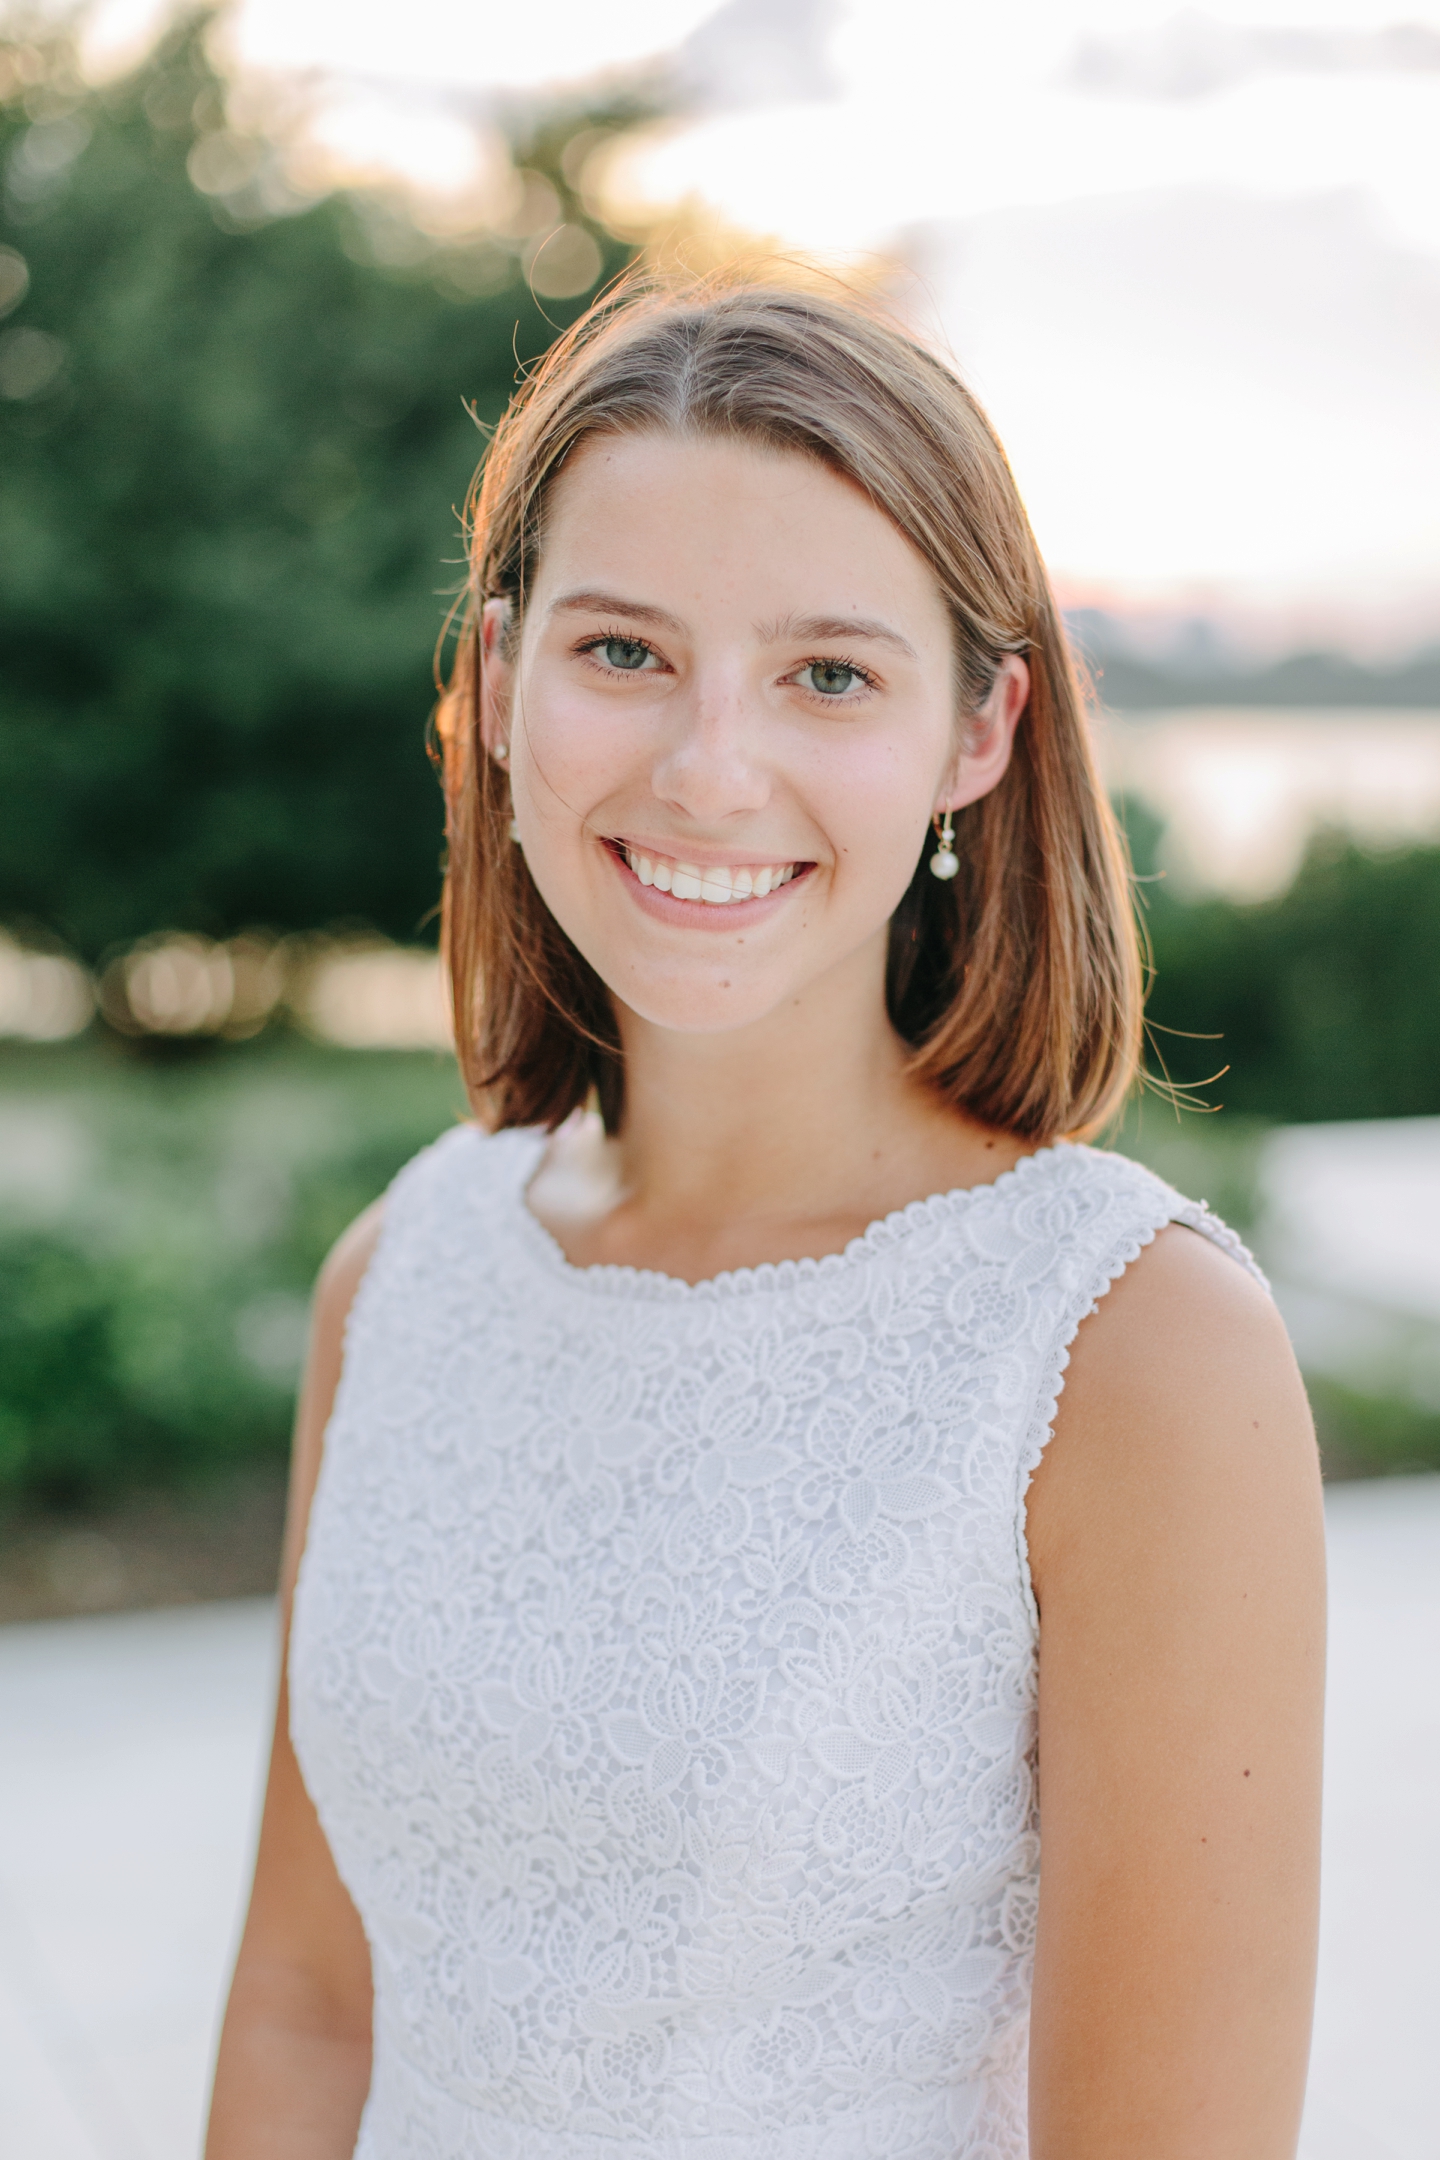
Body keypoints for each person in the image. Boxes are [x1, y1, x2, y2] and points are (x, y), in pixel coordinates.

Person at [206, 277, 1324, 2160]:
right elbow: (312, 2010)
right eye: (623, 651)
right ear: (495, 681)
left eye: (828, 673)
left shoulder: (1133, 1353)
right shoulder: (400, 1275)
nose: (709, 768)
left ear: (981, 731)